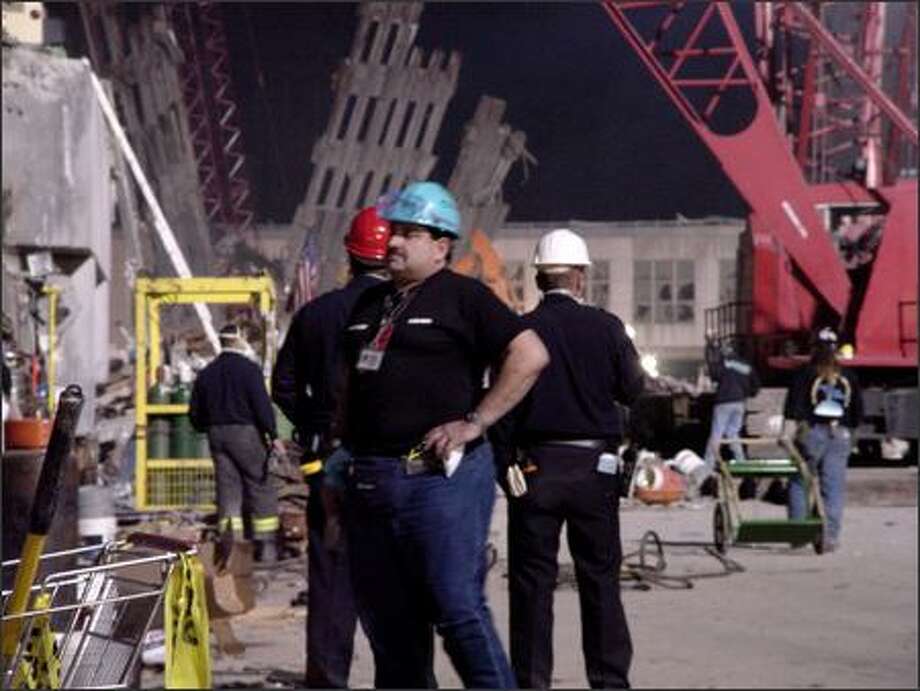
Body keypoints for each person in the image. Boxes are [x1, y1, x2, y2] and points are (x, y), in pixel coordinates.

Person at [339, 181, 549, 688]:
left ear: (441, 245)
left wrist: (475, 421)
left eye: (409, 234)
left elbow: (530, 355)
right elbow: (350, 388)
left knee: (456, 607)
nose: (393, 241)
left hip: (438, 480)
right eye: (393, 231)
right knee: (388, 618)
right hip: (371, 480)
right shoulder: (370, 306)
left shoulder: (465, 298)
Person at [491, 228, 645, 689]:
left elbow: (499, 406)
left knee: (531, 586)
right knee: (600, 581)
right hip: (594, 471)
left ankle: (531, 681)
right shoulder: (607, 327)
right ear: (580, 276)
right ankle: (609, 681)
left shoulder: (518, 332)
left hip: (535, 470)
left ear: (539, 278)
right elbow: (633, 390)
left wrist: (505, 465)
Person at [271, 206, 390, 688]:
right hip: (387, 457)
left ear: (349, 254)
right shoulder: (399, 311)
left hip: (328, 457)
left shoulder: (315, 314)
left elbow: (283, 385)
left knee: (331, 575)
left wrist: (313, 425)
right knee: (392, 576)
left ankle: (327, 677)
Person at [189, 323, 281, 563]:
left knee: (228, 490)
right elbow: (261, 405)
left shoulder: (207, 373)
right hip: (246, 433)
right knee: (261, 485)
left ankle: (233, 549)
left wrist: (207, 427)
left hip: (216, 435)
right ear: (239, 340)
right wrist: (273, 434)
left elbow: (195, 413)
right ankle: (266, 548)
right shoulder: (249, 370)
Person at [783, 327, 863, 552]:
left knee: (800, 481)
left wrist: (788, 435)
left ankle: (799, 535)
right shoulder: (849, 376)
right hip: (841, 433)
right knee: (833, 487)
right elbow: (857, 413)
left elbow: (792, 409)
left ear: (813, 348)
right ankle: (829, 538)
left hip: (812, 432)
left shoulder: (804, 373)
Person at [700, 337, 760, 490]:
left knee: (716, 435)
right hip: (739, 403)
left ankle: (707, 469)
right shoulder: (746, 365)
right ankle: (741, 464)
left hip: (724, 402)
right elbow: (755, 386)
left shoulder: (724, 363)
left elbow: (714, 374)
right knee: (733, 434)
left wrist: (709, 351)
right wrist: (746, 393)